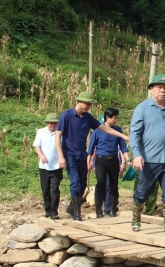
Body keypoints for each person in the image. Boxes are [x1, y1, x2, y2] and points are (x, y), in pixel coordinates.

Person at [56, 92, 129, 221]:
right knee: (75, 182)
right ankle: (76, 213)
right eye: (87, 103)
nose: (89, 106)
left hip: (81, 154)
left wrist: (122, 136)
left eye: (90, 104)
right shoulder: (66, 116)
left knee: (83, 183)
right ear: (78, 102)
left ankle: (72, 207)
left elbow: (104, 128)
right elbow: (58, 136)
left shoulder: (88, 118)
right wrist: (61, 156)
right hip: (69, 154)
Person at [129, 74, 165, 234]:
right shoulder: (142, 108)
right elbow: (134, 133)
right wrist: (137, 154)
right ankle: (135, 218)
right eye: (159, 87)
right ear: (151, 89)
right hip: (149, 160)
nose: (163, 90)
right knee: (143, 191)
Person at [87, 108, 130, 218]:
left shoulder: (118, 130)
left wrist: (127, 160)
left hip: (114, 160)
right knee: (101, 183)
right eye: (114, 118)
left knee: (113, 185)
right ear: (107, 118)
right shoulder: (97, 130)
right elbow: (91, 149)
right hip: (101, 160)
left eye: (117, 118)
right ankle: (98, 210)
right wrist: (89, 162)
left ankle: (112, 209)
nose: (116, 120)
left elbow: (123, 147)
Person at [33, 113, 62, 220]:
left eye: (55, 123)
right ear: (47, 123)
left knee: (55, 189)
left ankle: (54, 211)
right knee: (45, 189)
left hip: (56, 165)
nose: (52, 125)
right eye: (50, 123)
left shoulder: (60, 133)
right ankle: (47, 209)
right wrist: (41, 156)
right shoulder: (41, 132)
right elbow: (37, 145)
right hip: (44, 166)